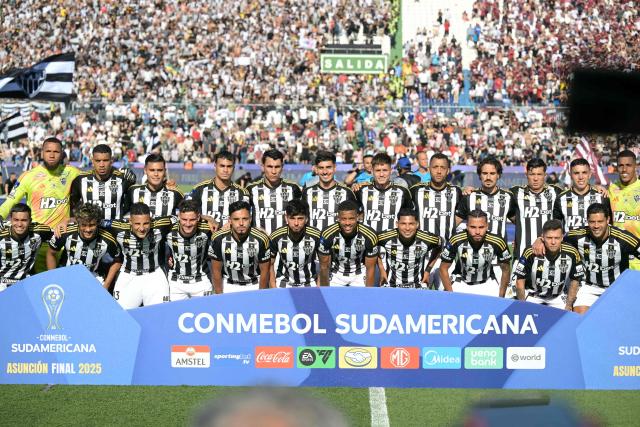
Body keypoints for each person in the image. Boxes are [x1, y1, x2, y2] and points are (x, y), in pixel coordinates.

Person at [564, 203, 640, 313]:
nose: (596, 226)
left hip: (616, 288)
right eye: (592, 222)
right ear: (587, 221)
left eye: (600, 221)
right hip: (589, 287)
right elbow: (555, 240)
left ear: (608, 220)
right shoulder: (577, 235)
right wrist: (540, 241)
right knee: (580, 319)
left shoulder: (623, 238)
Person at [0, 137, 80, 228]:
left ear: (62, 154)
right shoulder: (27, 176)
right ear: (42, 153)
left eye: (56, 152)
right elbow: (11, 201)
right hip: (37, 234)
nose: (52, 155)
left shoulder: (72, 172)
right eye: (48, 151)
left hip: (63, 235)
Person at [108, 203, 175, 309]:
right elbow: (95, 222)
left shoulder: (160, 225)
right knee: (122, 317)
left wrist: (207, 218)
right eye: (137, 224)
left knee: (160, 316)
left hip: (154, 277)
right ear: (130, 221)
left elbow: (179, 218)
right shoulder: (118, 227)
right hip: (128, 277)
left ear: (151, 220)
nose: (142, 228)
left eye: (146, 223)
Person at [46, 203, 122, 290]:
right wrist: (52, 278)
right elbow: (50, 253)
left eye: (92, 225)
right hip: (66, 276)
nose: (88, 229)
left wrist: (106, 285)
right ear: (78, 223)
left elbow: (118, 261)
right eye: (84, 225)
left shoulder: (108, 239)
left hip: (93, 277)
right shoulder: (65, 233)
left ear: (98, 223)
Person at [513, 219, 584, 311]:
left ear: (562, 237)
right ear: (542, 237)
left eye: (557, 238)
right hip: (533, 296)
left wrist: (569, 305)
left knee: (567, 321)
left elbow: (575, 280)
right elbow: (520, 281)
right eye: (549, 238)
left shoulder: (572, 252)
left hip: (558, 298)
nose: (553, 242)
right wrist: (523, 305)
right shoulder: (530, 252)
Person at [439, 210, 511, 296]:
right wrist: (450, 293)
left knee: (497, 308)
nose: (477, 232)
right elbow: (443, 268)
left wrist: (501, 296)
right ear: (467, 226)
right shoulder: (456, 239)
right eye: (473, 227)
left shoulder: (498, 241)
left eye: (481, 227)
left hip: (487, 284)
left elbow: (506, 269)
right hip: (461, 282)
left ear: (487, 226)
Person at [209, 201, 271, 293]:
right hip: (228, 286)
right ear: (230, 220)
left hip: (253, 286)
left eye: (245, 219)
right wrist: (219, 295)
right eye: (236, 219)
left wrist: (260, 295)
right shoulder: (218, 238)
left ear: (250, 219)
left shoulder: (261, 239)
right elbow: (216, 271)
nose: (241, 223)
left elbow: (265, 271)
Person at [510, 158, 563, 261]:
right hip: (522, 256)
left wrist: (597, 188)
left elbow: (577, 193)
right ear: (526, 175)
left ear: (545, 176)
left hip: (549, 257)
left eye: (539, 174)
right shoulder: (515, 192)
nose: (535, 178)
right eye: (532, 174)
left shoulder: (556, 192)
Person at [318, 200, 379, 287]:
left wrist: (368, 293)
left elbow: (370, 268)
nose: (347, 223)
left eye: (351, 218)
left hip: (359, 274)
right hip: (336, 274)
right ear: (338, 218)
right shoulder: (327, 234)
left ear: (357, 217)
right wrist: (325, 291)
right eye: (343, 219)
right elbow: (324, 266)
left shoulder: (369, 235)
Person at [69, 144, 137, 221]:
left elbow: (131, 202)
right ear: (92, 161)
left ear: (111, 161)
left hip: (115, 230)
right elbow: (73, 205)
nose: (101, 165)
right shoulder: (81, 180)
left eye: (105, 160)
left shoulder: (123, 179)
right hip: (90, 230)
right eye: (98, 161)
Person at [378, 208, 441, 288]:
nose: (407, 228)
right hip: (391, 286)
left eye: (411, 224)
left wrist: (428, 270)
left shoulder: (427, 238)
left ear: (417, 224)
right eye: (403, 224)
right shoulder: (387, 236)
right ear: (397, 224)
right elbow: (371, 242)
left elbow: (440, 245)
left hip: (418, 286)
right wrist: (381, 269)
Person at [165, 199, 215, 301]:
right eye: (184, 219)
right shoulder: (168, 228)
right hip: (175, 283)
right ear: (178, 216)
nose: (188, 224)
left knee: (205, 314)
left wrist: (210, 219)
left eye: (192, 220)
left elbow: (227, 229)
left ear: (198, 217)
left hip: (201, 283)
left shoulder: (207, 229)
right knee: (174, 316)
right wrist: (168, 256)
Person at [246, 149, 302, 236]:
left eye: (277, 167)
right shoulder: (251, 189)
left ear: (282, 167)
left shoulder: (293, 188)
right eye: (269, 166)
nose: (273, 171)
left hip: (285, 244)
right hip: (260, 244)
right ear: (262, 166)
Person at [411, 153, 462, 244]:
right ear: (429, 169)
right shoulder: (416, 190)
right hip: (421, 250)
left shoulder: (457, 192)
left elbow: (463, 213)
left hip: (447, 252)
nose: (439, 171)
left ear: (448, 171)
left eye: (443, 167)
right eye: (435, 167)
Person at [356, 153, 413, 233]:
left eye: (385, 170)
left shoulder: (402, 192)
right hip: (368, 242)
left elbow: (409, 218)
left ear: (391, 171)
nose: (381, 174)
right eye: (378, 170)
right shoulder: (361, 190)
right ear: (372, 171)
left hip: (393, 243)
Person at [189, 150, 249, 226]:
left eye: (229, 166)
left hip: (230, 237)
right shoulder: (199, 189)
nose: (225, 170)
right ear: (215, 166)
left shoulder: (242, 193)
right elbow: (186, 213)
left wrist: (233, 224)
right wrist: (206, 218)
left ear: (233, 168)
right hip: (205, 237)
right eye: (222, 166)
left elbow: (246, 218)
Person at [269, 199, 321, 287]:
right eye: (292, 218)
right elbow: (270, 264)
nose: (296, 223)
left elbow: (324, 264)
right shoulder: (276, 236)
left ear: (306, 219)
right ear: (286, 218)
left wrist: (319, 288)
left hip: (310, 283)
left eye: (300, 218)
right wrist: (274, 288)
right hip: (284, 282)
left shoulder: (316, 235)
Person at [0, 203, 53, 290]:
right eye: (16, 220)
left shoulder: (39, 231)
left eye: (24, 220)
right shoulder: (2, 235)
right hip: (2, 283)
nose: (20, 224)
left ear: (30, 220)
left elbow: (62, 234)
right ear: (10, 220)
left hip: (27, 283)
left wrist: (67, 221)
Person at [303, 151, 357, 232]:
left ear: (335, 168)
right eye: (321, 168)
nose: (325, 172)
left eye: (328, 167)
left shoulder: (347, 193)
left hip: (339, 243)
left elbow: (355, 218)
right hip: (313, 243)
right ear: (316, 169)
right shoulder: (307, 192)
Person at [608, 149, 640, 270]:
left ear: (635, 166)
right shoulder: (612, 189)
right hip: (617, 259)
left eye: (628, 165)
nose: (624, 169)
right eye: (621, 165)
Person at [128, 154, 184, 218]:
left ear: (165, 171)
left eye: (160, 170)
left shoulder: (175, 193)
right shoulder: (133, 191)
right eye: (152, 170)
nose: (156, 174)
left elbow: (188, 216)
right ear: (145, 170)